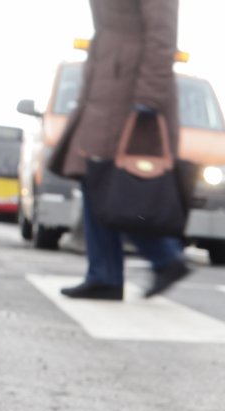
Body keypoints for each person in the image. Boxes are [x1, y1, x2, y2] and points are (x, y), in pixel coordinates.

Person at [49, 0, 190, 301]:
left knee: (111, 184)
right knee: (98, 180)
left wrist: (149, 96)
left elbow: (162, 36)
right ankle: (111, 273)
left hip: (128, 91)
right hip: (108, 84)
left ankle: (158, 259)